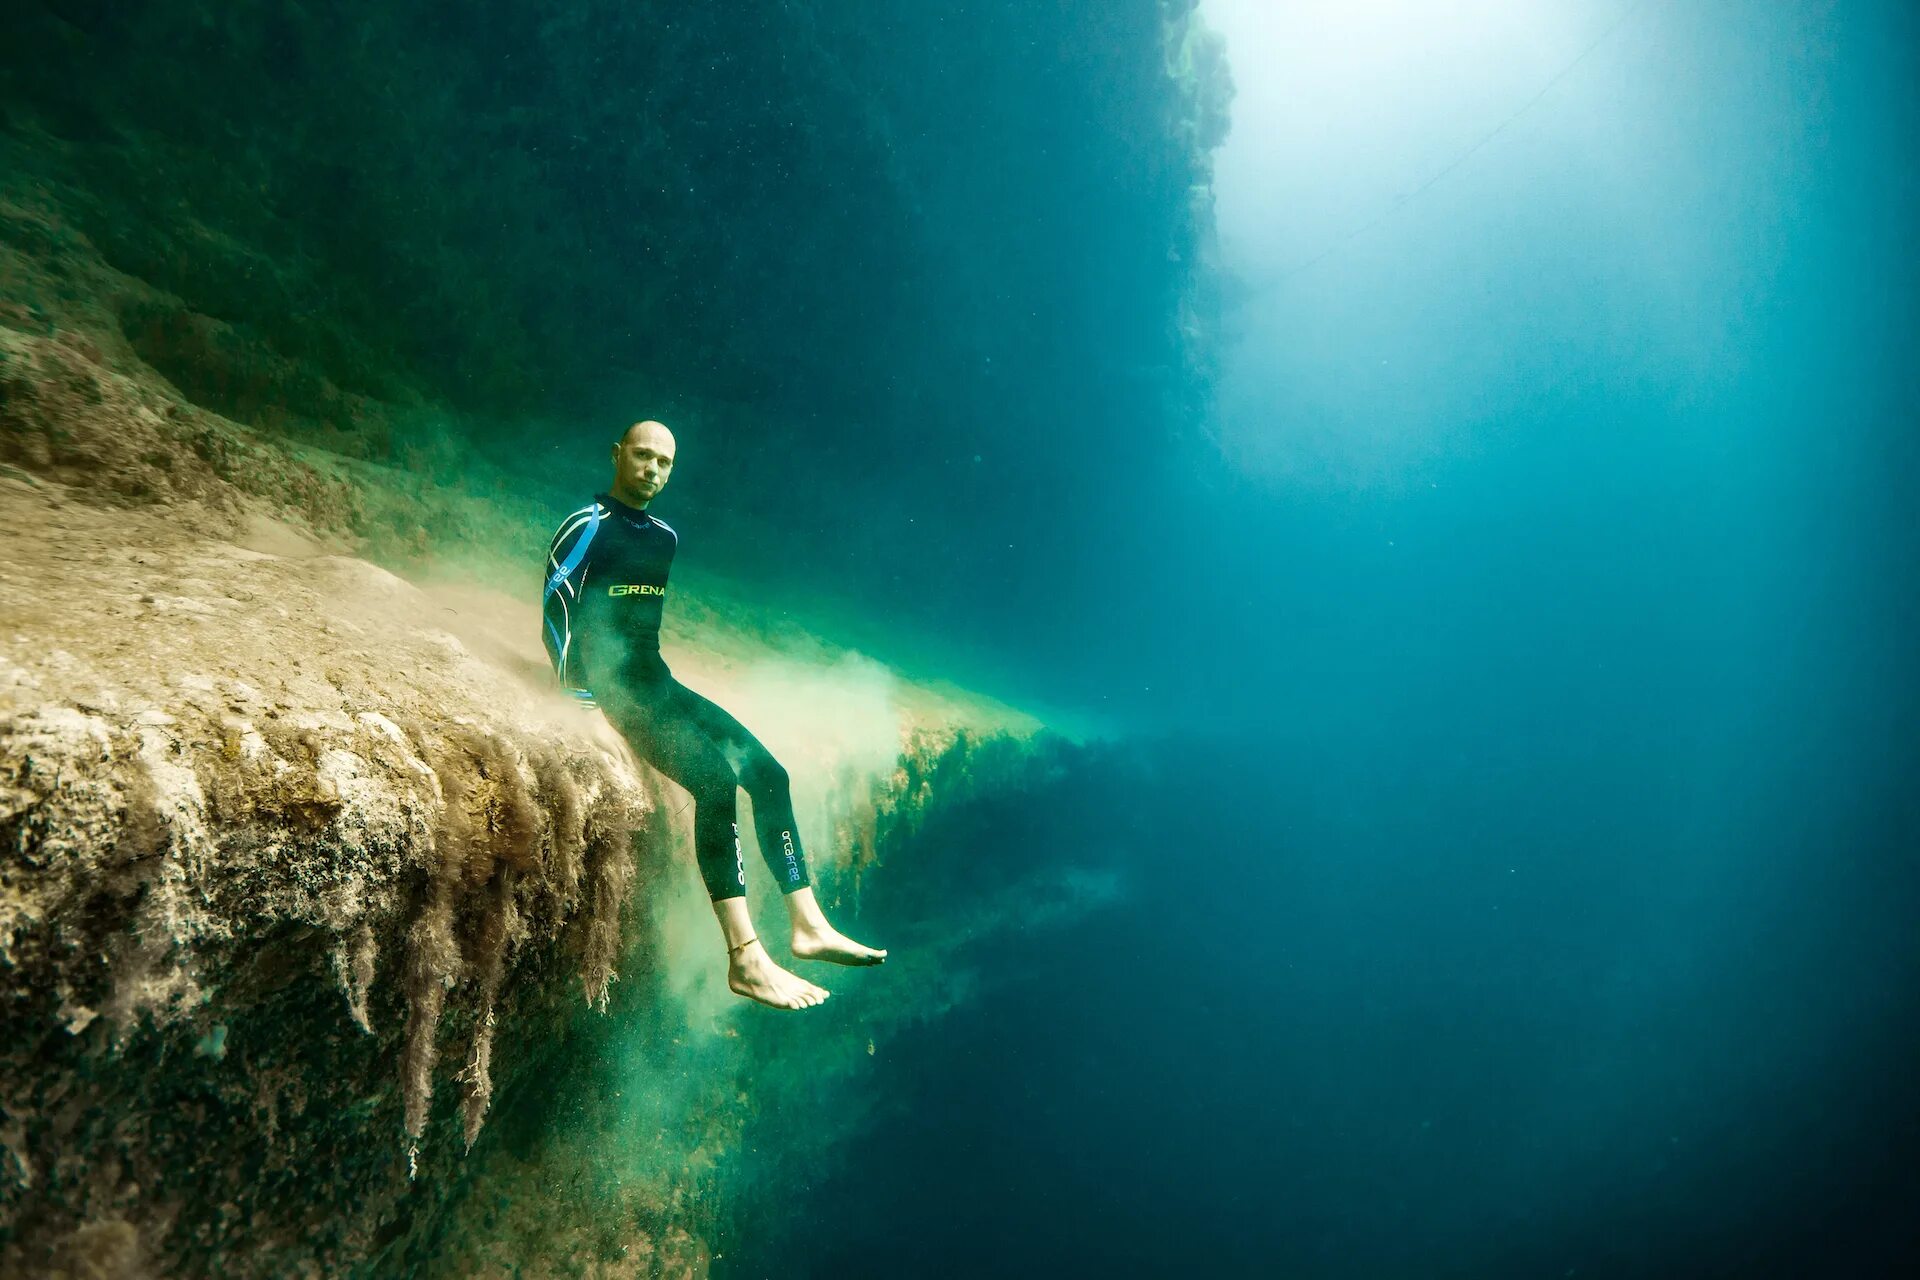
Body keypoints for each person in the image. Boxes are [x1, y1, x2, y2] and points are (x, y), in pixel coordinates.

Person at [542, 420, 886, 1010]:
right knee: (715, 781)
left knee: (770, 774)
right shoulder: (587, 525)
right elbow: (556, 605)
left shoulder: (665, 537)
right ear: (617, 455)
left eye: (664, 463)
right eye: (642, 456)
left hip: (658, 683)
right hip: (615, 692)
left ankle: (807, 924)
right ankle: (745, 956)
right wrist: (581, 697)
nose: (652, 469)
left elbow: (639, 633)